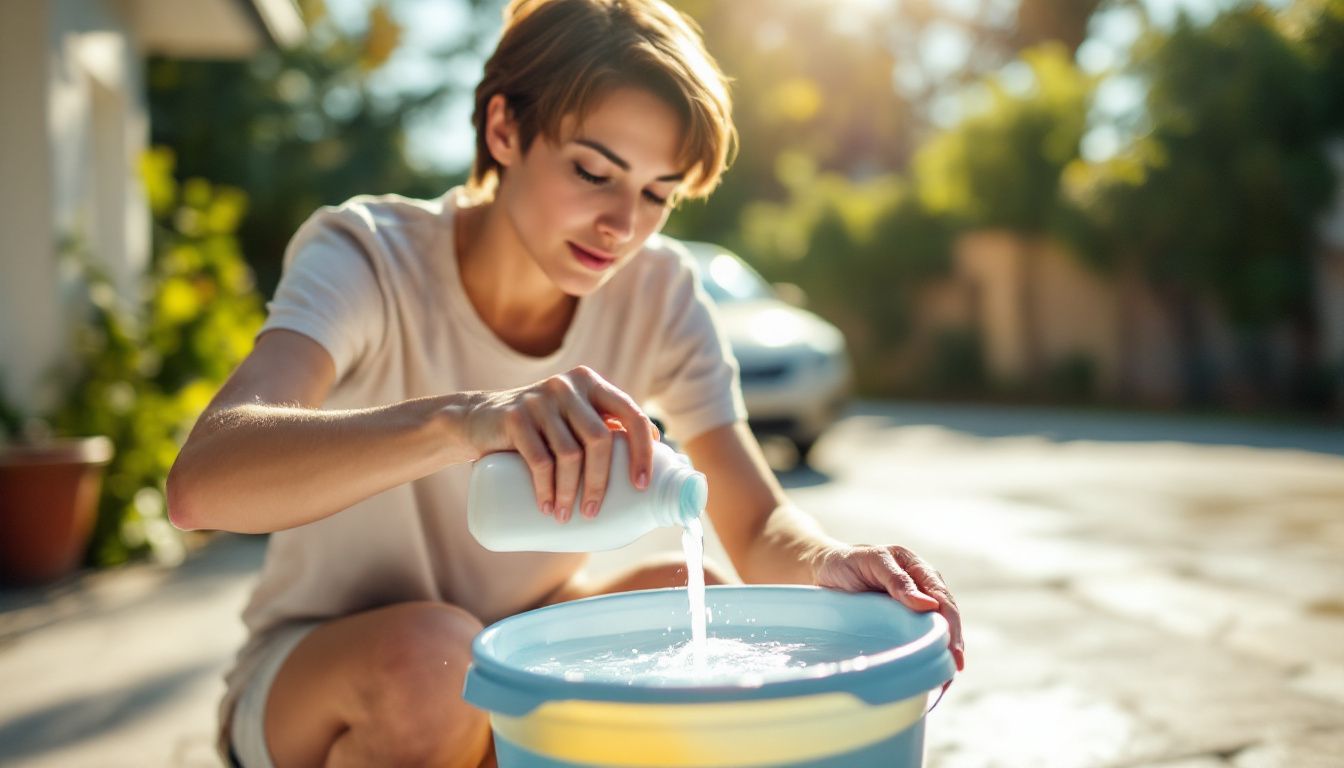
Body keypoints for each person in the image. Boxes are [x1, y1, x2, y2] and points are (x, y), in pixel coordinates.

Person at [167, 1, 964, 766]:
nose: (623, 225)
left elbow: (755, 526)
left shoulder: (659, 292)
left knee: (696, 602)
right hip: (325, 683)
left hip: (517, 646)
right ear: (504, 128)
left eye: (658, 193)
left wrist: (835, 560)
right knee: (433, 667)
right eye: (593, 171)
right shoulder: (368, 255)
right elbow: (203, 486)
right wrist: (465, 421)